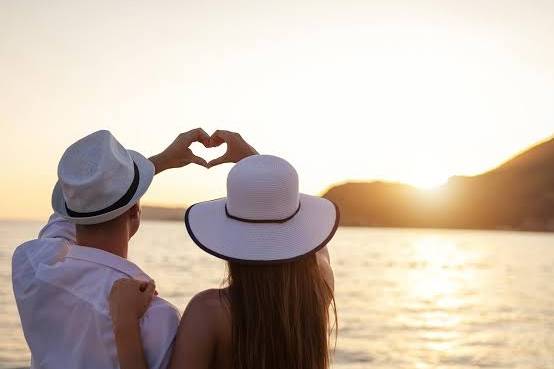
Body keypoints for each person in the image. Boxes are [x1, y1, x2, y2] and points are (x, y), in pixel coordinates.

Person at [11, 128, 257, 369]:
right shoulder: (155, 317)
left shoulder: (31, 266)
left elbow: (67, 217)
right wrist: (257, 165)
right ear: (135, 211)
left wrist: (159, 162)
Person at [108, 154, 339, 369]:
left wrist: (125, 322)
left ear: (230, 237)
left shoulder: (210, 312)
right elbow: (312, 246)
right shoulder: (317, 294)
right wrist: (262, 173)